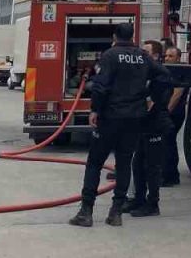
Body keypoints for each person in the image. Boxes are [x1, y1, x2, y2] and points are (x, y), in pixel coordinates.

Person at [68, 22, 162, 228]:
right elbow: (163, 75)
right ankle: (116, 212)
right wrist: (150, 97)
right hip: (134, 118)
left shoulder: (110, 55)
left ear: (114, 36)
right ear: (132, 35)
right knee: (124, 163)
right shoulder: (143, 56)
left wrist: (95, 110)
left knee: (94, 163)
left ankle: (86, 212)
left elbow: (100, 87)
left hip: (110, 118)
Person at [125, 40, 173, 217]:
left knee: (151, 167)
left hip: (156, 125)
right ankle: (138, 199)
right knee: (137, 165)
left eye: (145, 53)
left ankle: (153, 204)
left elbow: (150, 103)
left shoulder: (161, 75)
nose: (141, 56)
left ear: (156, 56)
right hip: (142, 126)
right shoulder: (142, 73)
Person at [158, 45, 187, 187]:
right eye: (166, 56)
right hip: (169, 113)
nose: (167, 58)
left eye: (171, 56)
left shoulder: (180, 71)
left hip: (174, 113)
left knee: (167, 143)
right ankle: (171, 175)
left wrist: (165, 112)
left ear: (178, 58)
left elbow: (177, 94)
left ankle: (168, 177)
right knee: (168, 143)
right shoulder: (168, 71)